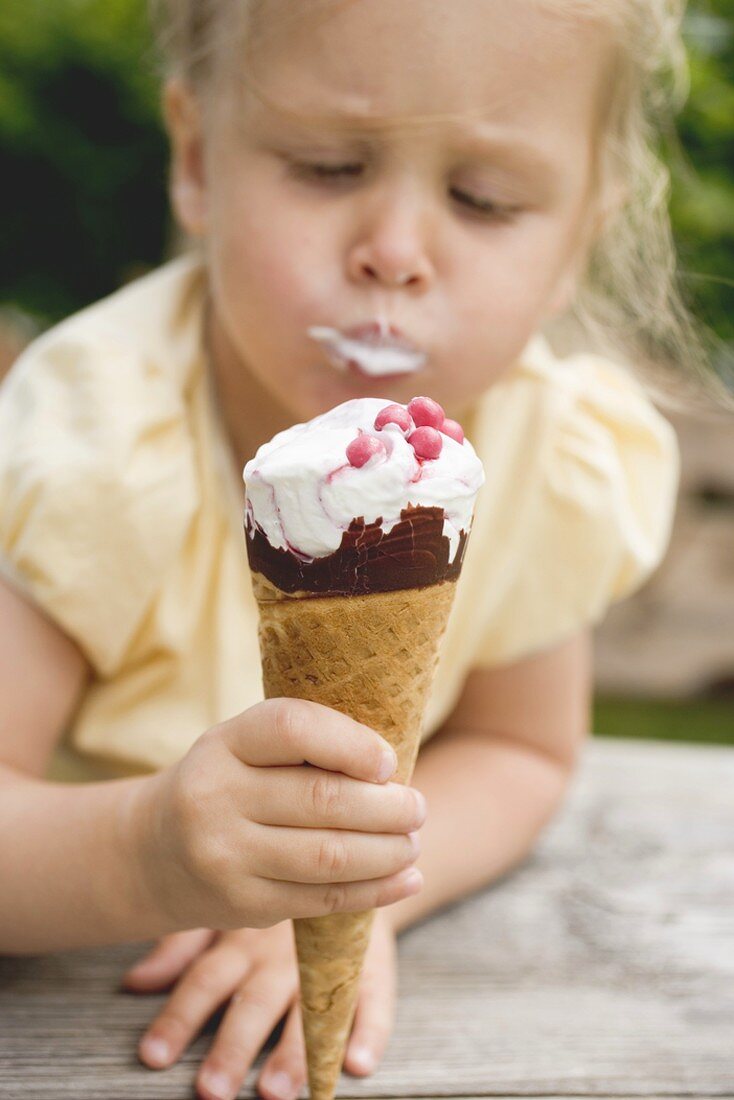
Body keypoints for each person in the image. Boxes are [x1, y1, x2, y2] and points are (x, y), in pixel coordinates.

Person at [0, 1, 699, 1098]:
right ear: (195, 161)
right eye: (327, 167)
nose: (394, 252)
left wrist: (365, 892)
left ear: (576, 238)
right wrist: (146, 850)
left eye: (483, 198)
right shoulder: (100, 444)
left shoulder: (537, 451)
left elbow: (521, 751)